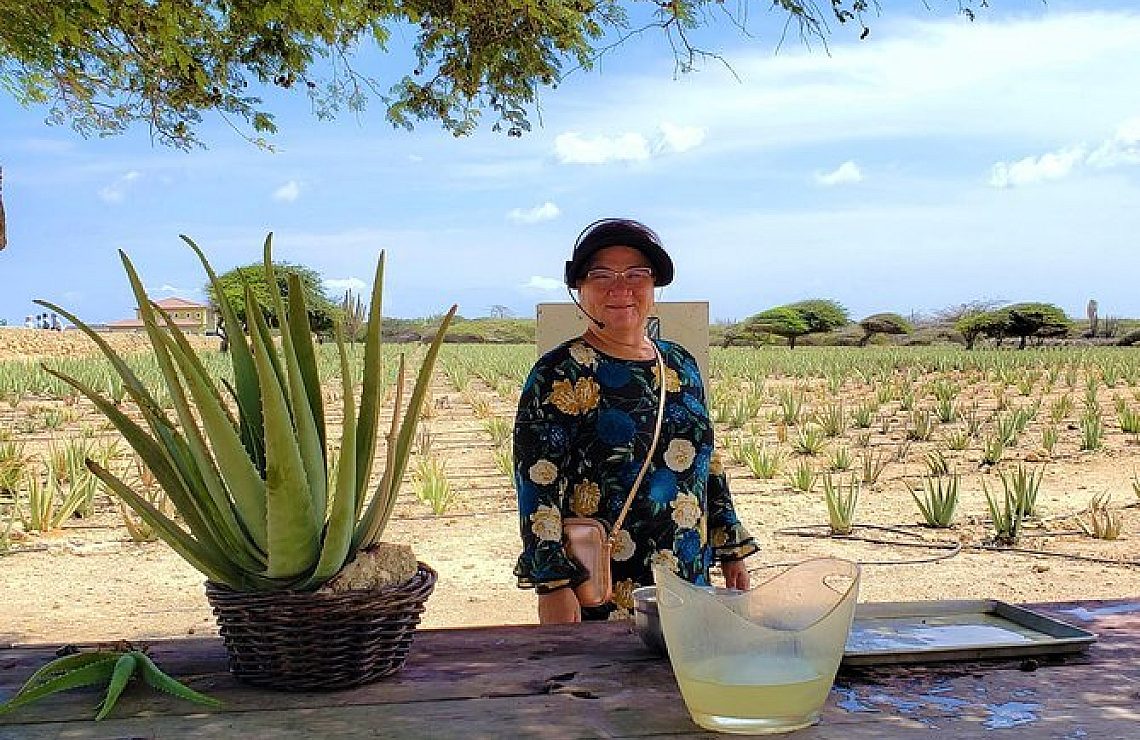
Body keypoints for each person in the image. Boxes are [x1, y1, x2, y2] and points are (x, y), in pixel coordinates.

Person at [513, 218, 757, 624]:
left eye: (636, 274)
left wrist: (730, 548)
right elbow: (537, 482)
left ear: (654, 285)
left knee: (679, 665)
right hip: (603, 585)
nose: (620, 288)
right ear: (579, 288)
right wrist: (552, 585)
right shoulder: (558, 373)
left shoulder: (680, 363)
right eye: (602, 275)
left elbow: (707, 462)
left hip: (686, 575)